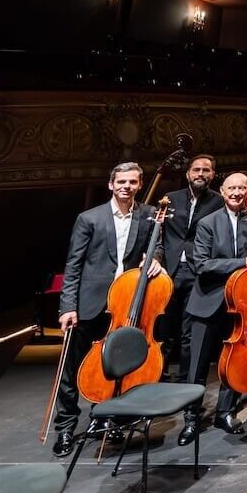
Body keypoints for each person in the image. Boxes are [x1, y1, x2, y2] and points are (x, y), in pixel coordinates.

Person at [52, 162, 162, 456]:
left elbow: (157, 245)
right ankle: (64, 428)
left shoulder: (150, 214)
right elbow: (73, 265)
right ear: (111, 185)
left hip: (125, 304)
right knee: (72, 371)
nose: (127, 186)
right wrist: (67, 307)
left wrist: (156, 258)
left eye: (133, 182)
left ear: (140, 185)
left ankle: (105, 419)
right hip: (90, 304)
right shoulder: (89, 218)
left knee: (113, 368)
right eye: (121, 182)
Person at [186, 172, 247, 439]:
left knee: (233, 362)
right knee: (198, 365)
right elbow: (201, 265)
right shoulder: (207, 223)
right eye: (231, 188)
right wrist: (243, 262)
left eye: (241, 188)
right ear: (222, 192)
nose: (236, 193)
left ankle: (225, 413)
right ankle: (191, 418)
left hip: (241, 304)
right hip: (208, 302)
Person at [160, 154, 221, 381]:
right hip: (170, 271)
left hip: (198, 273)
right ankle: (160, 376)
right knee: (163, 331)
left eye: (206, 170)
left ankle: (186, 380)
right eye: (196, 170)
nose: (201, 174)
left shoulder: (218, 201)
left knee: (189, 333)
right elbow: (160, 233)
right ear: (188, 174)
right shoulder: (170, 198)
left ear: (213, 175)